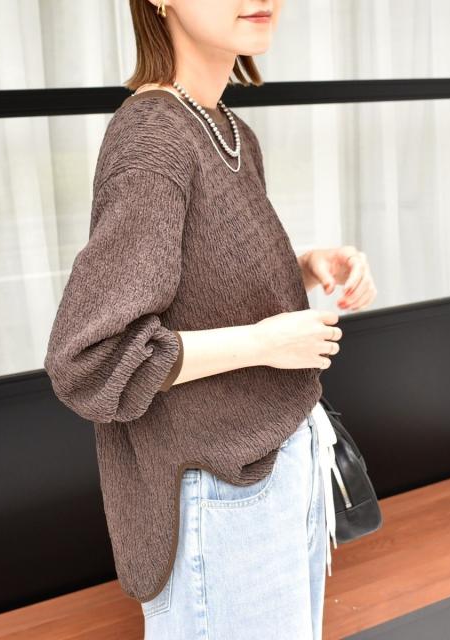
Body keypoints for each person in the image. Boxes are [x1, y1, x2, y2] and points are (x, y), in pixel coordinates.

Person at [43, 1, 376, 638]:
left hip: (279, 463)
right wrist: (262, 344)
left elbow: (190, 284)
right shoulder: (152, 140)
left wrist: (306, 267)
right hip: (221, 492)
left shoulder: (226, 127)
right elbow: (91, 358)